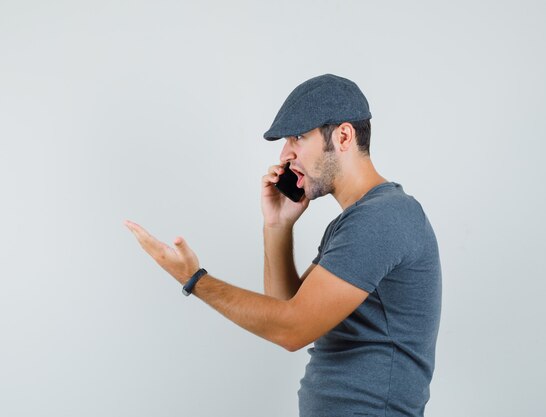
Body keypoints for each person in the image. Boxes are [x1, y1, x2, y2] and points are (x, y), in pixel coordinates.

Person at [125, 74, 442, 417]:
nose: (285, 154)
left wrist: (195, 279)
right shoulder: (356, 221)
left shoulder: (383, 218)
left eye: (298, 138)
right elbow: (286, 308)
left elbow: (291, 328)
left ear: (344, 136)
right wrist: (277, 225)